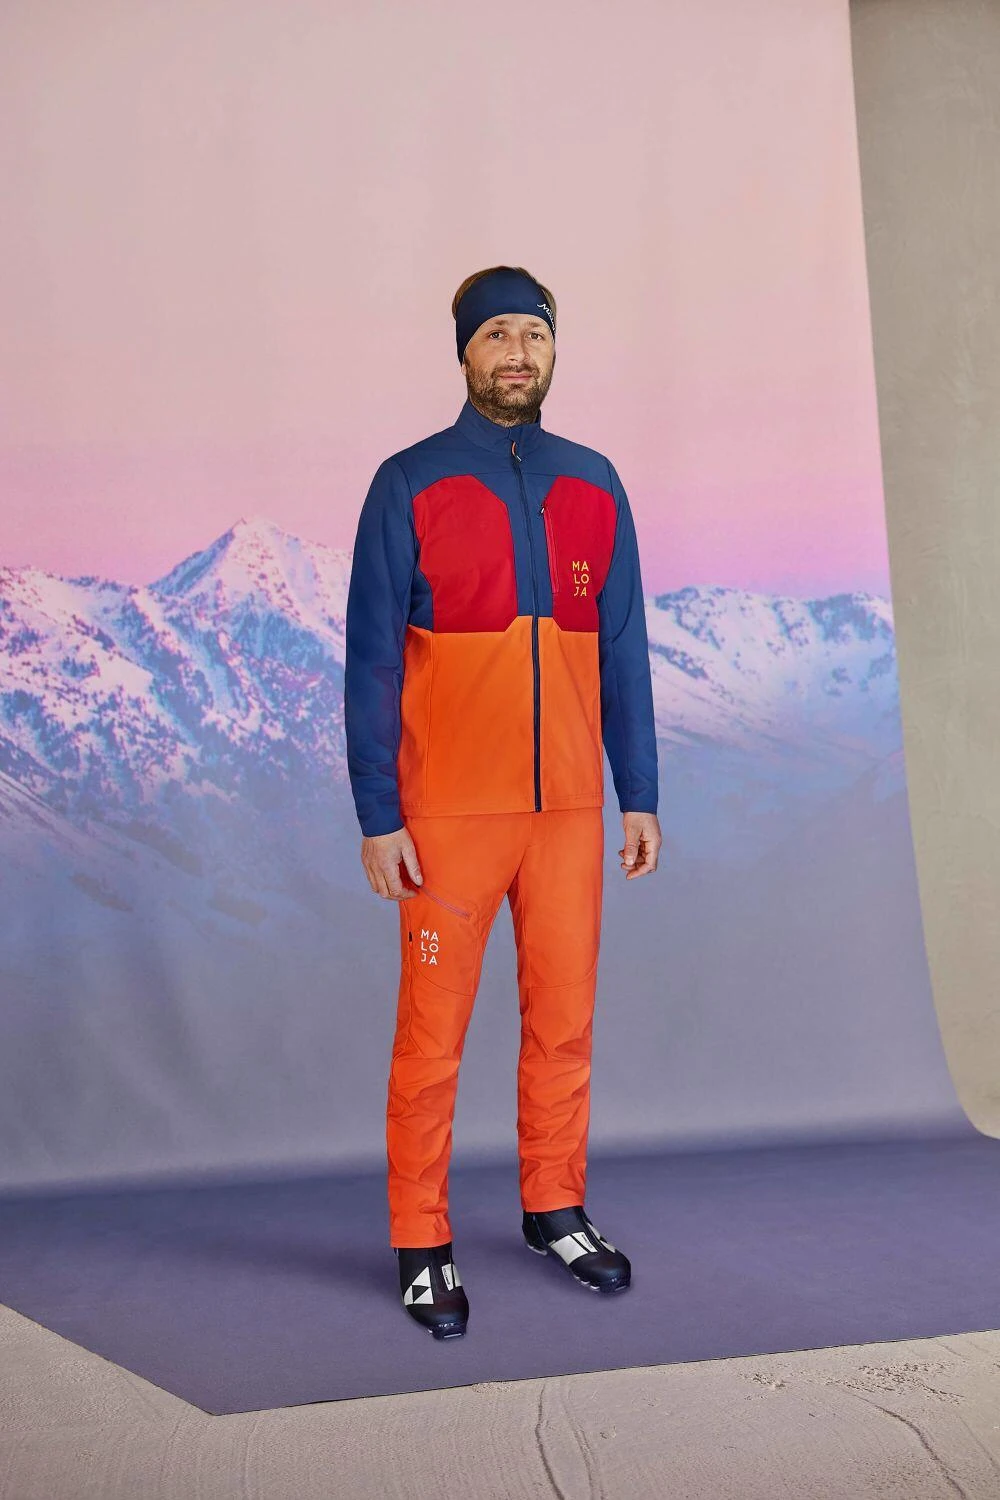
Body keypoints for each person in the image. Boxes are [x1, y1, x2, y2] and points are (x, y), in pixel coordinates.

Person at [344, 264, 662, 1340]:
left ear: (554, 349)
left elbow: (622, 647)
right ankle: (420, 1241)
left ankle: (554, 1206)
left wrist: (637, 792)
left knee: (563, 1022)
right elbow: (371, 661)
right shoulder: (409, 483)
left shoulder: (595, 483)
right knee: (431, 1037)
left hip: (567, 815)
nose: (517, 352)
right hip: (447, 818)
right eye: (496, 335)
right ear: (465, 352)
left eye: (534, 333)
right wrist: (377, 813)